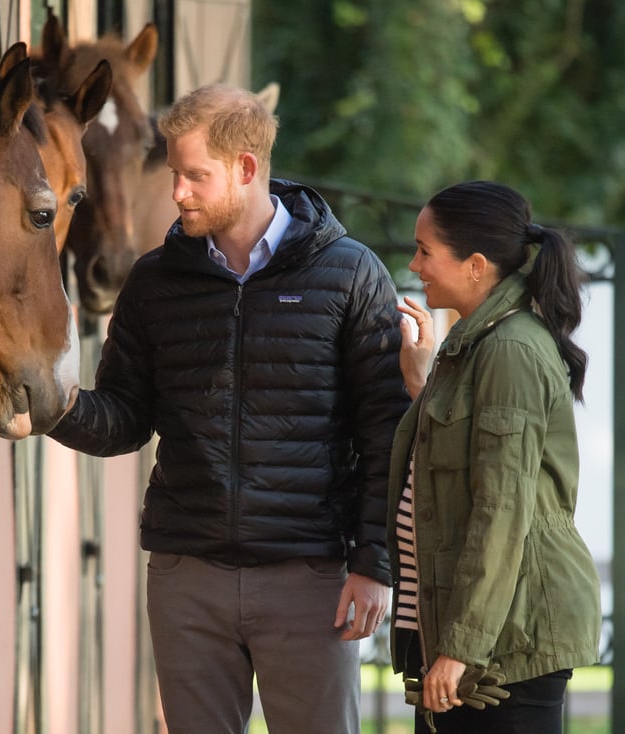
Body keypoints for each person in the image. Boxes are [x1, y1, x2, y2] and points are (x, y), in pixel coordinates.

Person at [47, 83, 409, 733]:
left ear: (245, 168)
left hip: (310, 578)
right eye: (175, 173)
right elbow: (127, 414)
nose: (178, 191)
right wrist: (54, 410)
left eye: (194, 176)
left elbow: (386, 428)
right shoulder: (156, 282)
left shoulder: (350, 275)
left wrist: (373, 564)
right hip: (188, 577)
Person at [389, 180, 602, 734]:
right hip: (480, 636)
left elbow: (502, 509)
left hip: (506, 641)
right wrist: (423, 386)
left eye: (425, 251)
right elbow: (459, 463)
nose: (415, 264)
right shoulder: (476, 343)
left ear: (476, 265)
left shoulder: (509, 350)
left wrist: (460, 649)